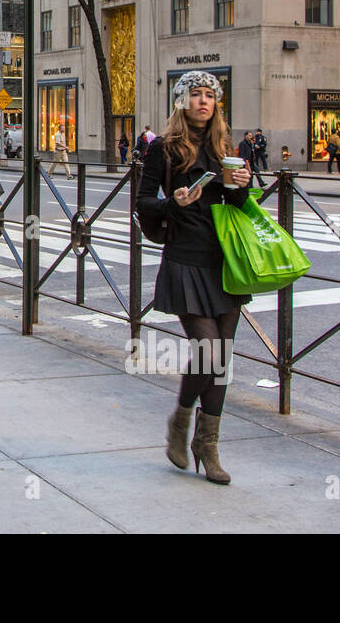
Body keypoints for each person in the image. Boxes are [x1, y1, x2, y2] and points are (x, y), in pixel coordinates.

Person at [135, 71, 252, 485]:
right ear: (182, 101)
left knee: (222, 359)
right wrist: (173, 203)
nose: (203, 101)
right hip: (184, 257)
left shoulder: (225, 148)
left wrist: (242, 185)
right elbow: (143, 202)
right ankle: (181, 421)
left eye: (209, 95)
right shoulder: (163, 148)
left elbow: (238, 204)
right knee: (208, 349)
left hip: (224, 259)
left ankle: (208, 444)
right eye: (196, 94)